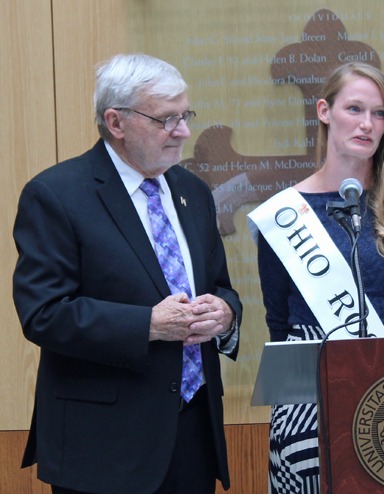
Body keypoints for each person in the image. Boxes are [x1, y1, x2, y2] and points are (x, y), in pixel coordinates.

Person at [13, 53, 242, 494]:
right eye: (167, 119)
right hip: (104, 445)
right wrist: (148, 326)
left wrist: (225, 315)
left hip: (193, 434)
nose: (184, 131)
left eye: (186, 115)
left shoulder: (193, 191)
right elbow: (42, 313)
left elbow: (221, 288)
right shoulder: (56, 194)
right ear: (116, 122)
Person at [254, 62, 384, 493]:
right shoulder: (283, 215)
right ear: (323, 111)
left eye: (379, 113)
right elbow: (279, 321)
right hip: (309, 390)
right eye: (354, 108)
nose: (368, 124)